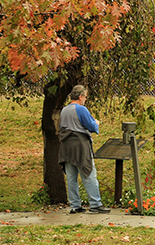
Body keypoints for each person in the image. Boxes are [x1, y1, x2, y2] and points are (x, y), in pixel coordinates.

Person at [58, 84, 109, 214]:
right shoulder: (81, 109)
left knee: (71, 177)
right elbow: (91, 126)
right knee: (88, 173)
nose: (85, 99)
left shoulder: (64, 110)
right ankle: (95, 203)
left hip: (66, 147)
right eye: (85, 97)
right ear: (80, 97)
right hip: (80, 146)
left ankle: (75, 205)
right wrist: (96, 123)